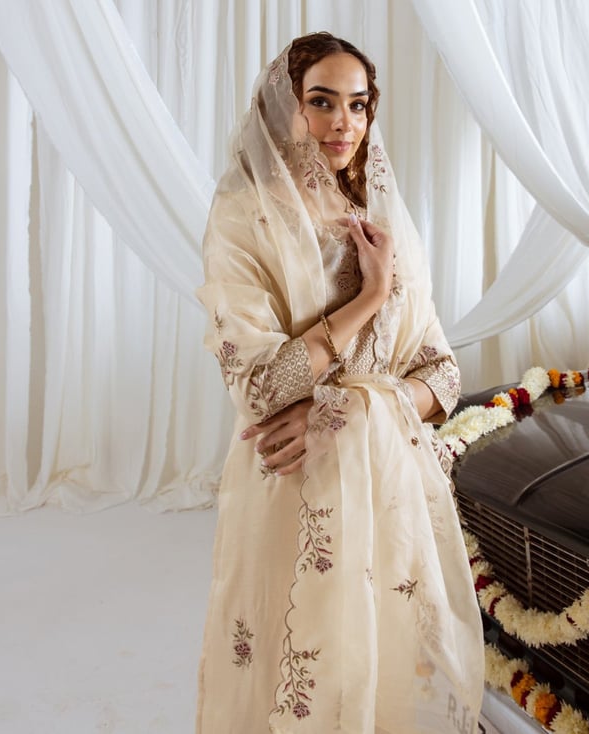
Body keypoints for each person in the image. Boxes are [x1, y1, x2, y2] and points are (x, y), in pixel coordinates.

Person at [195, 31, 484, 734]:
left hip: (384, 484)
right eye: (320, 102)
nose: (343, 123)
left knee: (380, 668)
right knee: (298, 666)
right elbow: (260, 390)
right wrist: (369, 298)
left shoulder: (381, 223)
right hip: (293, 488)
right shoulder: (242, 219)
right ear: (281, 107)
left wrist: (341, 414)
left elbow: (444, 375)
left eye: (358, 104)